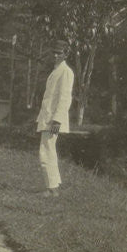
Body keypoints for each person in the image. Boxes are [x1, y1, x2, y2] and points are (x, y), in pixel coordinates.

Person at [36, 40, 75, 198]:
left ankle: (51, 188)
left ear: (66, 54)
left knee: (45, 152)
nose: (56, 55)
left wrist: (57, 120)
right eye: (54, 52)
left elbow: (65, 98)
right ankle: (54, 186)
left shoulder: (66, 71)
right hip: (47, 117)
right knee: (49, 151)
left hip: (54, 119)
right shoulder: (56, 70)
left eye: (59, 52)